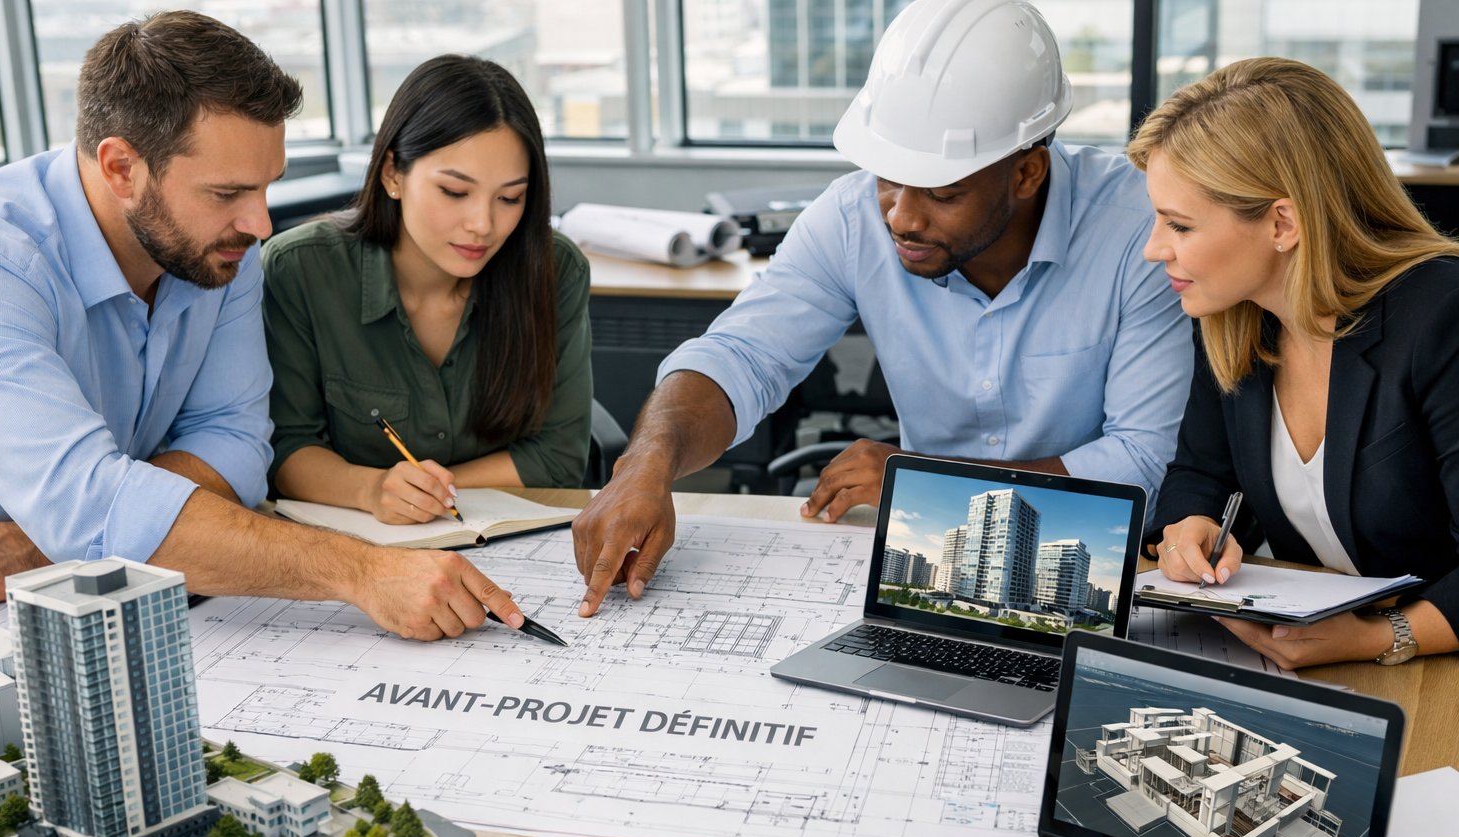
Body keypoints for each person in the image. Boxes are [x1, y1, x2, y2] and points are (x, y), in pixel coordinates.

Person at [569, 0, 1191, 617]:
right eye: (886, 176)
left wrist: (927, 483)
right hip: (929, 558)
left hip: (1105, 568)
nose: (901, 216)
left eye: (943, 194)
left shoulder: (1142, 231)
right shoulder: (850, 218)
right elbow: (741, 355)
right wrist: (645, 462)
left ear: (1027, 173)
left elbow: (1141, 460)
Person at [0, 12, 526, 640]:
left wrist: (42, 541)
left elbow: (234, 446)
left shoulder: (218, 252)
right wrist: (364, 572)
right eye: (227, 193)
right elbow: (86, 504)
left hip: (88, 588)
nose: (261, 224)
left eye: (267, 188)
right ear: (121, 168)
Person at [1133, 57, 1459, 669]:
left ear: (1282, 223)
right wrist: (1191, 525)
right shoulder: (1235, 314)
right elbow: (1199, 472)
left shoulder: (1442, 318)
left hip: (1436, 669)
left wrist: (1377, 637)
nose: (1155, 249)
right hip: (1320, 666)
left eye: (1178, 224)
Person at [263, 55, 592, 523]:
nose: (483, 224)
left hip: (504, 539)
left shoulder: (555, 269)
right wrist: (374, 491)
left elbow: (559, 456)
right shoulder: (298, 270)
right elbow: (286, 448)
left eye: (510, 197)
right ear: (393, 173)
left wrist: (426, 493)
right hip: (353, 547)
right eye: (455, 192)